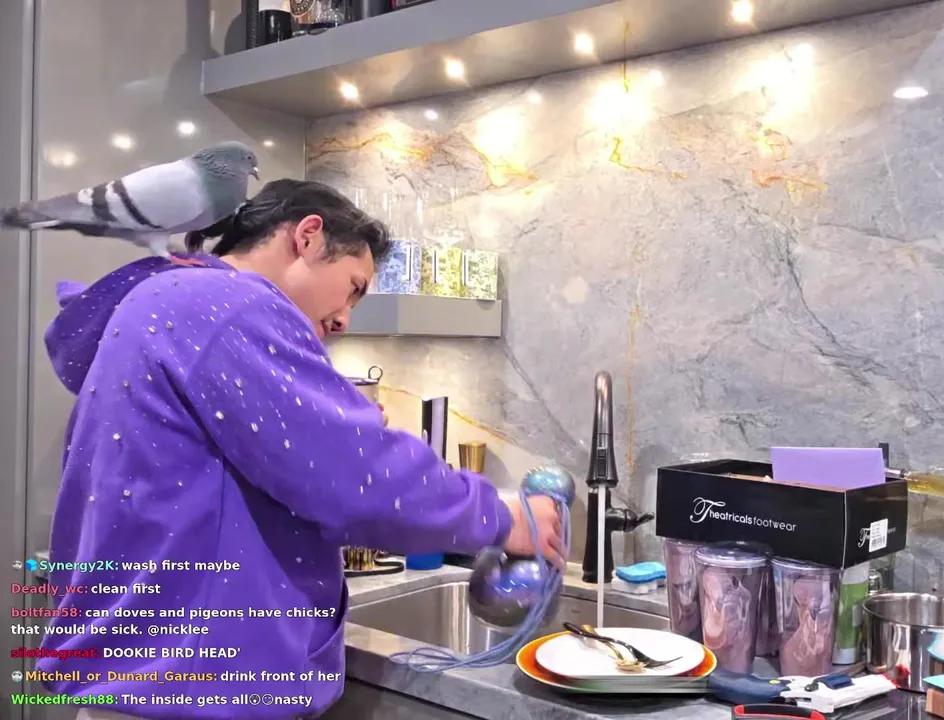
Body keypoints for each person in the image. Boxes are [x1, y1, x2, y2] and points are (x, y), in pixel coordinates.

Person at [37, 179, 564, 719]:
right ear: (308, 236)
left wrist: (328, 422)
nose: (344, 319)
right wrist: (503, 518)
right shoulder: (227, 306)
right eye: (353, 287)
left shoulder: (163, 301)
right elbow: (356, 477)